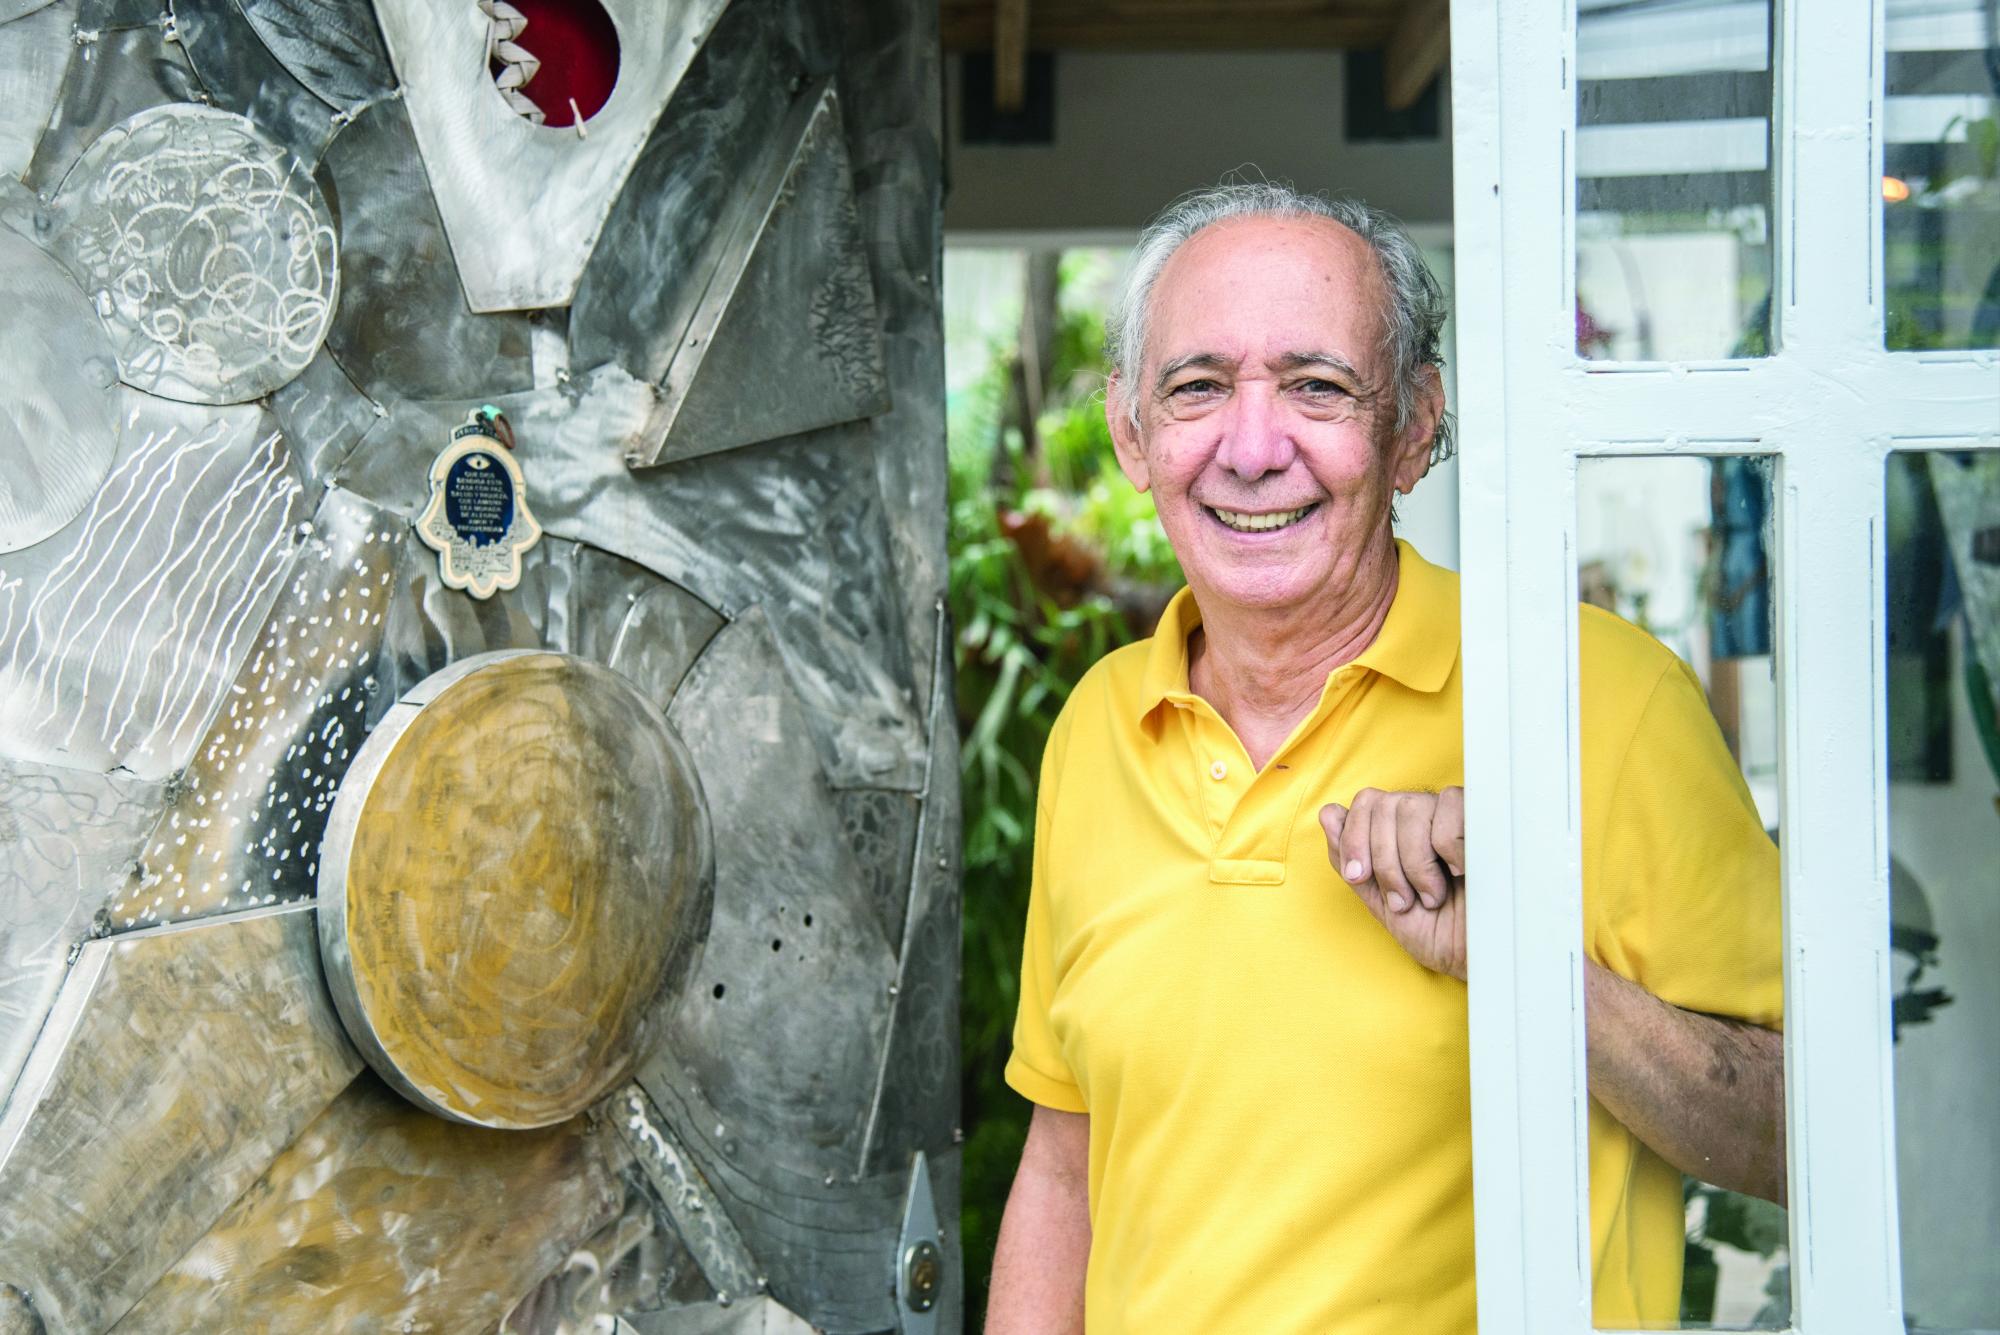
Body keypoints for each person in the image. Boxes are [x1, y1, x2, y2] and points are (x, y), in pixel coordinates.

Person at [984, 183, 1785, 1335]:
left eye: (1316, 387)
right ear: (1129, 431)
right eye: (1197, 387)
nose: (1251, 450)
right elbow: (1067, 1165)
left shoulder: (1593, 696)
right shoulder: (1099, 723)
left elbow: (1802, 1135)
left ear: (1413, 427)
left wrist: (1521, 965)